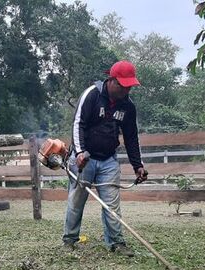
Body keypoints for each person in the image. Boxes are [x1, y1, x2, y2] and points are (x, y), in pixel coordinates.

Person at [63, 60, 148, 256]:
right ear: (112, 80)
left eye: (130, 87)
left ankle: (116, 243)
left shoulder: (128, 106)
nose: (127, 91)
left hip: (109, 160)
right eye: (124, 86)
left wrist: (138, 165)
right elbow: (78, 124)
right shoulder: (91, 94)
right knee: (76, 201)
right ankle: (69, 240)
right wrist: (79, 152)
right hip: (84, 159)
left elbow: (131, 137)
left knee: (112, 203)